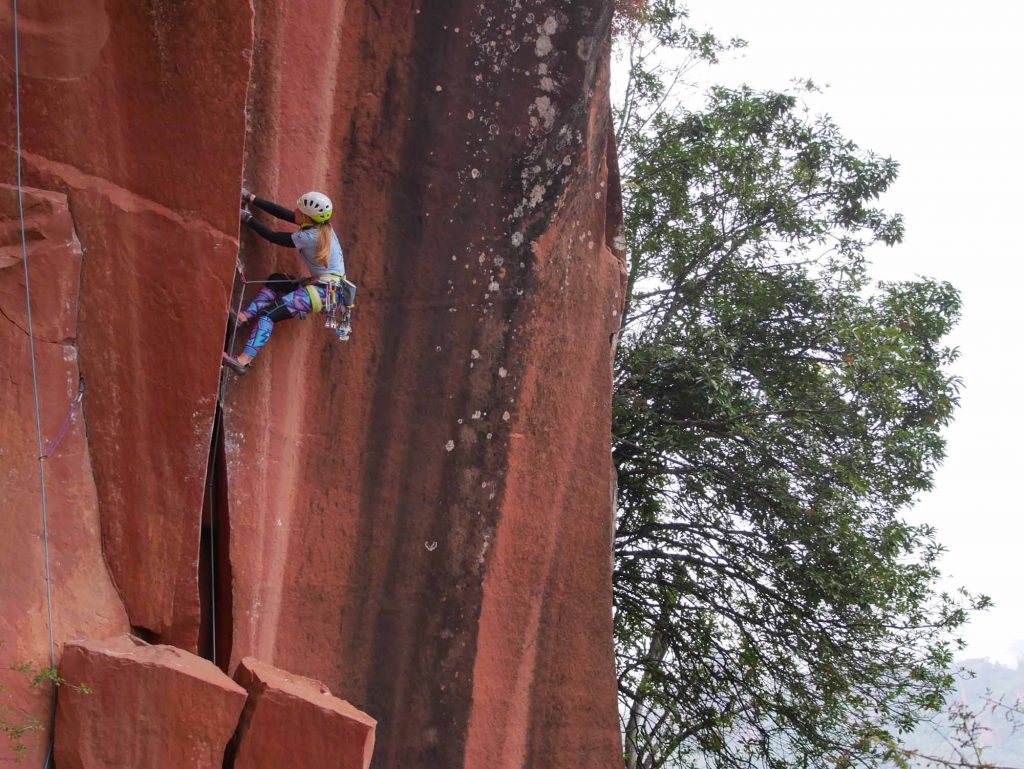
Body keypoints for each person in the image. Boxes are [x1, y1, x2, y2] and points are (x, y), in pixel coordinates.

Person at [223, 187, 346, 374]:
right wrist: (251, 198)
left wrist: (247, 219)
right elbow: (284, 214)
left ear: (307, 217)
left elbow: (273, 237)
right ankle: (242, 317)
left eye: (299, 211)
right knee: (277, 280)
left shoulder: (310, 236)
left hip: (321, 292)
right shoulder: (320, 227)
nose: (295, 211)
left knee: (268, 316)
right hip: (326, 290)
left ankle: (243, 361)